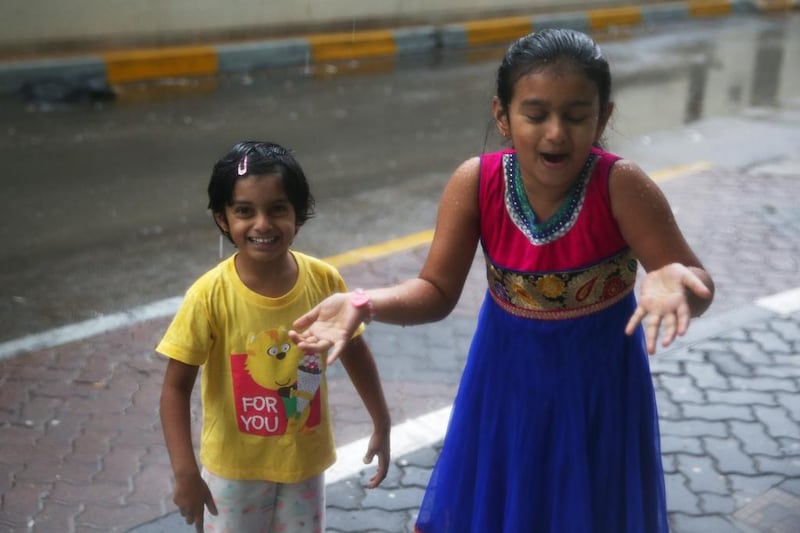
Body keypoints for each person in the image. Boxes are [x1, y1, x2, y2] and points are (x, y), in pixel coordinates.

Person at [290, 28, 714, 533]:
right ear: (502, 116)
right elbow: (437, 291)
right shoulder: (477, 181)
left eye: (576, 116)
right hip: (503, 390)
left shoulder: (621, 186)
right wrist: (365, 302)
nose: (556, 132)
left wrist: (676, 280)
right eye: (536, 115)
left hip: (599, 396)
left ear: (603, 117)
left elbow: (696, 282)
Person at [157, 141, 391, 533]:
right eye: (245, 211)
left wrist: (382, 421)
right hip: (234, 472)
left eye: (277, 209)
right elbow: (174, 389)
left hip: (304, 466)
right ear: (222, 219)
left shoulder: (323, 282)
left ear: (297, 215)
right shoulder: (208, 296)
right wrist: (185, 473)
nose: (262, 224)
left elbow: (355, 350)